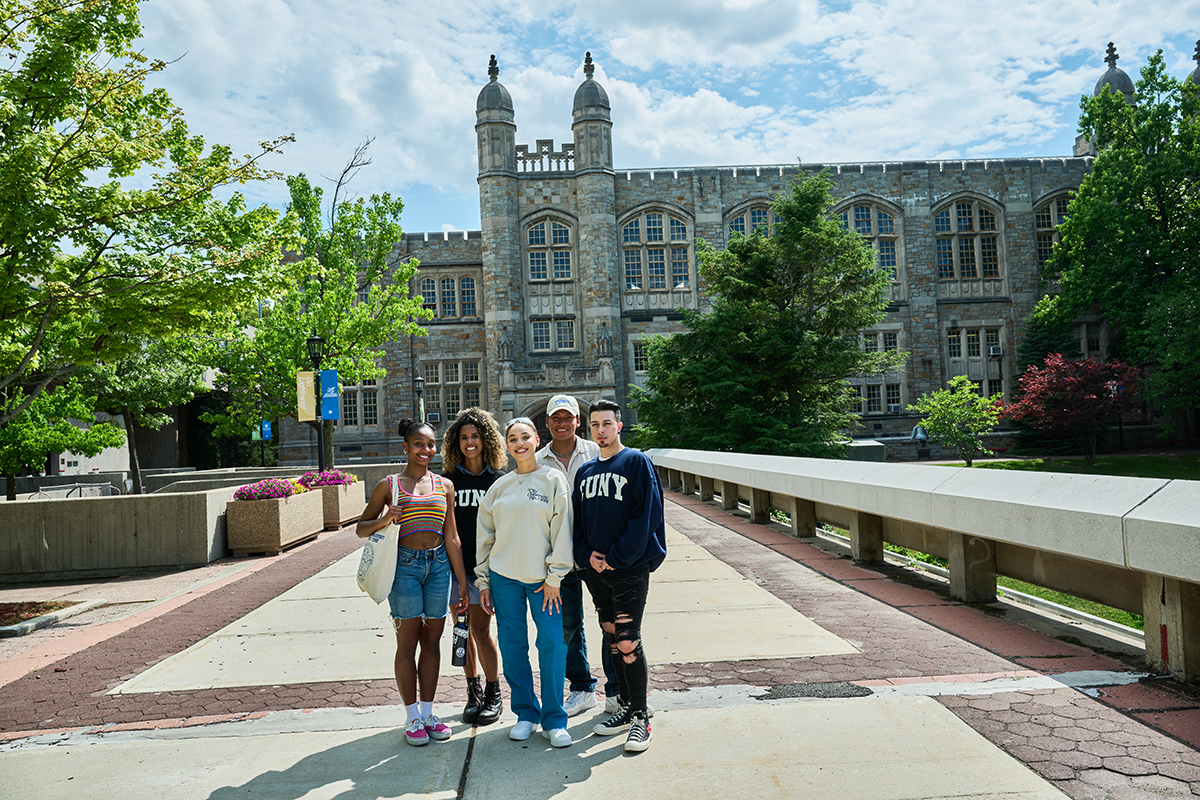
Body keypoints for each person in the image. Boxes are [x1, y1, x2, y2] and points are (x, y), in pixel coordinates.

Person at [357, 418, 469, 747]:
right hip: (403, 568)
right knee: (408, 643)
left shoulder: (444, 485)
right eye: (419, 444)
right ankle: (411, 717)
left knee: (432, 641)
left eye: (431, 444)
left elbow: (452, 537)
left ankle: (430, 712)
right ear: (405, 447)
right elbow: (362, 529)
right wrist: (385, 518)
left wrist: (461, 581)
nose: (426, 450)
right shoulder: (388, 485)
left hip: (438, 567)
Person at [573, 399, 666, 753]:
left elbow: (647, 516)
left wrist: (616, 556)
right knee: (611, 638)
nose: (601, 430)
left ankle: (642, 717)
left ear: (619, 425)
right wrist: (587, 557)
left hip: (629, 568)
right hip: (596, 572)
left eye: (607, 423)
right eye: (595, 425)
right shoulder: (584, 472)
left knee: (628, 640)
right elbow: (578, 524)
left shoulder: (637, 462)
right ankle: (626, 707)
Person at [476, 417, 575, 748]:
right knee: (512, 646)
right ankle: (526, 714)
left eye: (525, 437)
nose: (519, 443)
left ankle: (554, 719)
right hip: (504, 578)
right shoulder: (498, 488)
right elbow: (485, 539)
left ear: (536, 440)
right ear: (506, 446)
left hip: (543, 582)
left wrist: (555, 577)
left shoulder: (553, 480)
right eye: (512, 438)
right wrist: (484, 580)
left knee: (551, 644)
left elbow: (563, 532)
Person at [533, 393, 615, 717]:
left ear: (578, 421)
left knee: (609, 620)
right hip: (559, 557)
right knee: (568, 626)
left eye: (569, 418)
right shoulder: (537, 461)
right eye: (557, 418)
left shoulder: (596, 452)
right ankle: (582, 687)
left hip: (596, 554)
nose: (563, 423)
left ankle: (617, 690)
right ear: (548, 422)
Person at [440, 407, 506, 726]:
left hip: (486, 572)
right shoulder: (448, 481)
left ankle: (494, 692)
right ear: (456, 442)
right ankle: (473, 691)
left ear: (486, 440)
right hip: (457, 571)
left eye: (475, 436)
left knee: (482, 631)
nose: (470, 442)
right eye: (464, 437)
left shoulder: (498, 480)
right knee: (462, 631)